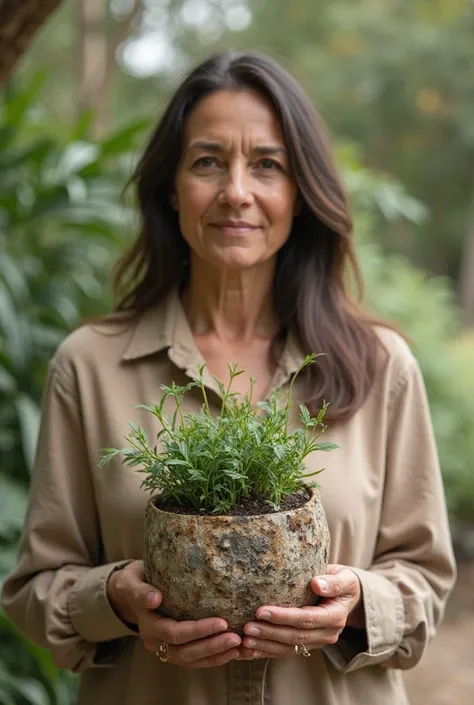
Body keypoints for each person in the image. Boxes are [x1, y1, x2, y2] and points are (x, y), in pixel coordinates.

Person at [2, 50, 455, 705]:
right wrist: (118, 600)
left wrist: (358, 602)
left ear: (300, 194)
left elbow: (425, 579)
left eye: (267, 164)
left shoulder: (379, 365)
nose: (236, 191)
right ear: (171, 186)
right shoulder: (90, 366)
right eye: (208, 161)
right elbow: (33, 588)